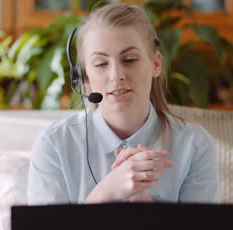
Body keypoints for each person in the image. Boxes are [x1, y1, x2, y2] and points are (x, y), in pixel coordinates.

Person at [28, 2, 218, 204]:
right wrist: (106, 192)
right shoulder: (54, 144)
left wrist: (152, 217)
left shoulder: (194, 145)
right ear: (84, 77)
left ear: (155, 64)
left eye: (129, 59)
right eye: (101, 64)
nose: (116, 75)